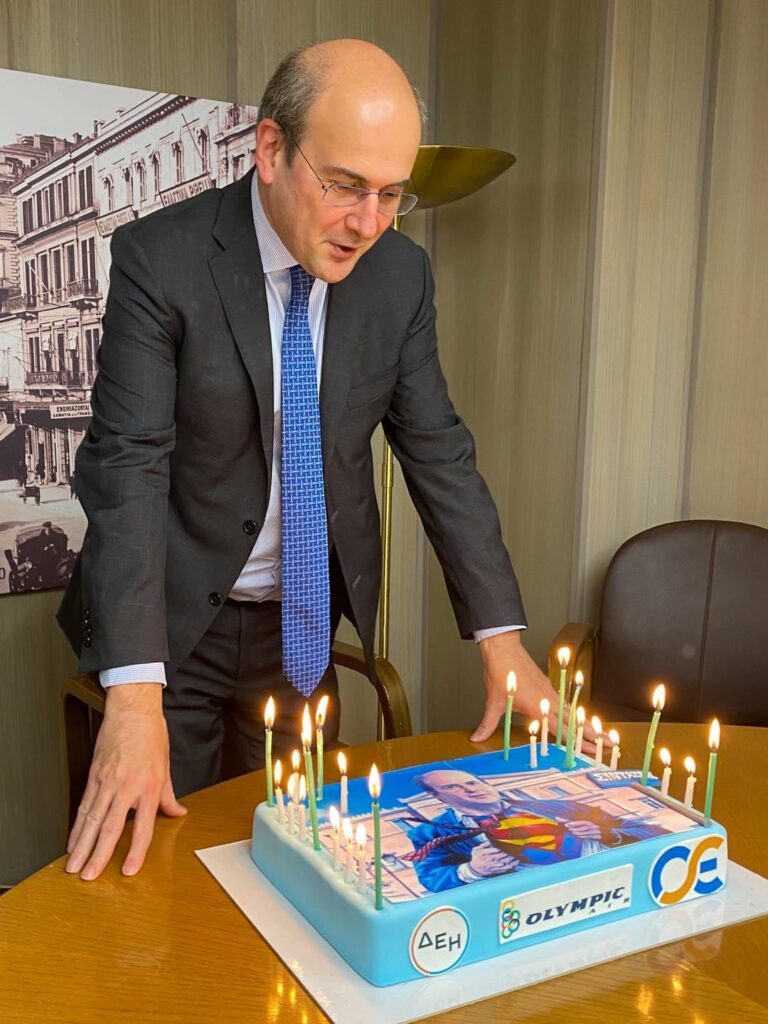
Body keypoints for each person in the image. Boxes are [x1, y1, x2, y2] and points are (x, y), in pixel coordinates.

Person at [57, 38, 582, 884]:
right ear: (271, 149)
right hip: (171, 629)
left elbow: (438, 451)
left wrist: (502, 641)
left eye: (391, 193)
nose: (368, 224)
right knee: (157, 873)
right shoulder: (162, 258)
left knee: (298, 869)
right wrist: (133, 693)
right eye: (344, 186)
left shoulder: (400, 276)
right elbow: (128, 467)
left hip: (301, 629)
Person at [404, 770, 666, 893]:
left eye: (472, 782)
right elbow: (431, 879)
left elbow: (652, 830)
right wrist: (472, 869)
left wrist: (608, 835)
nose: (470, 789)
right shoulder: (430, 832)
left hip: (606, 879)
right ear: (438, 797)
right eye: (453, 787)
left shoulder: (559, 806)